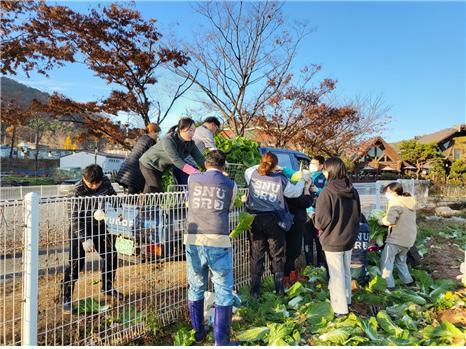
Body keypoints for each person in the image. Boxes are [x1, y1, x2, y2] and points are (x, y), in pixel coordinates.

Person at [184, 150, 237, 345]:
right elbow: (228, 207)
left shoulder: (192, 179)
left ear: (205, 164)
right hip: (218, 240)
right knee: (223, 288)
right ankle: (221, 341)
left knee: (196, 285)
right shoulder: (231, 185)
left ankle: (198, 332)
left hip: (193, 239)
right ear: (224, 166)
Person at [61, 164, 123, 313]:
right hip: (79, 230)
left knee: (111, 256)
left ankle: (107, 288)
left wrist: (119, 209)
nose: (94, 186)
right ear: (84, 178)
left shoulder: (106, 183)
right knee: (76, 264)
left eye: (97, 183)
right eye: (91, 184)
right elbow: (74, 218)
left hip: (99, 226)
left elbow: (113, 196)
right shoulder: (76, 191)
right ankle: (66, 298)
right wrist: (85, 238)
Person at [245, 152, 305, 298]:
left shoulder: (252, 174)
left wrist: (267, 164)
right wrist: (301, 179)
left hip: (255, 219)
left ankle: (254, 291)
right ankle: (279, 290)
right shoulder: (281, 179)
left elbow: (248, 169)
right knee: (277, 255)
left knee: (256, 255)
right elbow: (295, 193)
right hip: (275, 221)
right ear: (275, 165)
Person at [313, 157, 361, 317]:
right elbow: (358, 215)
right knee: (346, 271)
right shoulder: (352, 190)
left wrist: (313, 217)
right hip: (349, 237)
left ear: (330, 171)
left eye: (325, 169)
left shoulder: (327, 191)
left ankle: (340, 310)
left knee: (336, 275)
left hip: (333, 239)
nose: (323, 172)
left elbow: (321, 221)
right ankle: (347, 300)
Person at [139, 118, 205, 193]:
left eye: (194, 131)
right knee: (156, 189)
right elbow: (176, 160)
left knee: (150, 191)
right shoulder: (169, 140)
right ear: (181, 129)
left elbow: (200, 158)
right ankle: (146, 205)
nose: (192, 133)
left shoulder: (191, 144)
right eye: (190, 130)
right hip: (149, 164)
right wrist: (196, 173)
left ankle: (142, 205)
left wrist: (213, 169)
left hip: (159, 168)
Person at [379, 182, 417, 290]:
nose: (386, 194)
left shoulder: (395, 201)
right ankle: (408, 282)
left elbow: (389, 221)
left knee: (386, 262)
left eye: (387, 192)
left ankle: (388, 286)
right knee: (401, 260)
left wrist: (380, 221)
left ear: (394, 192)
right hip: (409, 239)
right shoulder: (409, 202)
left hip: (397, 238)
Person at [173, 116, 221, 185]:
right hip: (188, 165)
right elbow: (213, 151)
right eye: (217, 128)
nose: (215, 131)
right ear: (213, 124)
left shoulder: (198, 129)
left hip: (178, 164)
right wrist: (221, 164)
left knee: (179, 191)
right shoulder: (207, 132)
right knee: (188, 190)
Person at [116, 123, 160, 194]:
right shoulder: (150, 141)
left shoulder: (142, 139)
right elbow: (153, 157)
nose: (158, 135)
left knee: (131, 196)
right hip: (135, 171)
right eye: (157, 133)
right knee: (132, 198)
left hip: (128, 169)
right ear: (152, 132)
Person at [284, 189, 313, 287]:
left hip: (293, 220)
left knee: (293, 251)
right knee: (294, 250)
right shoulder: (291, 189)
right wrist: (308, 193)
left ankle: (291, 275)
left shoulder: (288, 185)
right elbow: (306, 202)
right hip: (294, 221)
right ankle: (286, 277)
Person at [305, 155, 326, 267]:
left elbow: (330, 193)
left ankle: (320, 265)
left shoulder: (325, 178)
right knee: (307, 241)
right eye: (311, 163)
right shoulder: (306, 176)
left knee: (319, 241)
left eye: (314, 164)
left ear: (321, 166)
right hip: (307, 214)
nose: (311, 166)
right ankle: (309, 266)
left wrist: (318, 190)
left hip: (319, 214)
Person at [350, 214, 371, 287]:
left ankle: (354, 282)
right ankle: (359, 280)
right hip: (361, 263)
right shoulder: (367, 227)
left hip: (350, 263)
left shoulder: (351, 228)